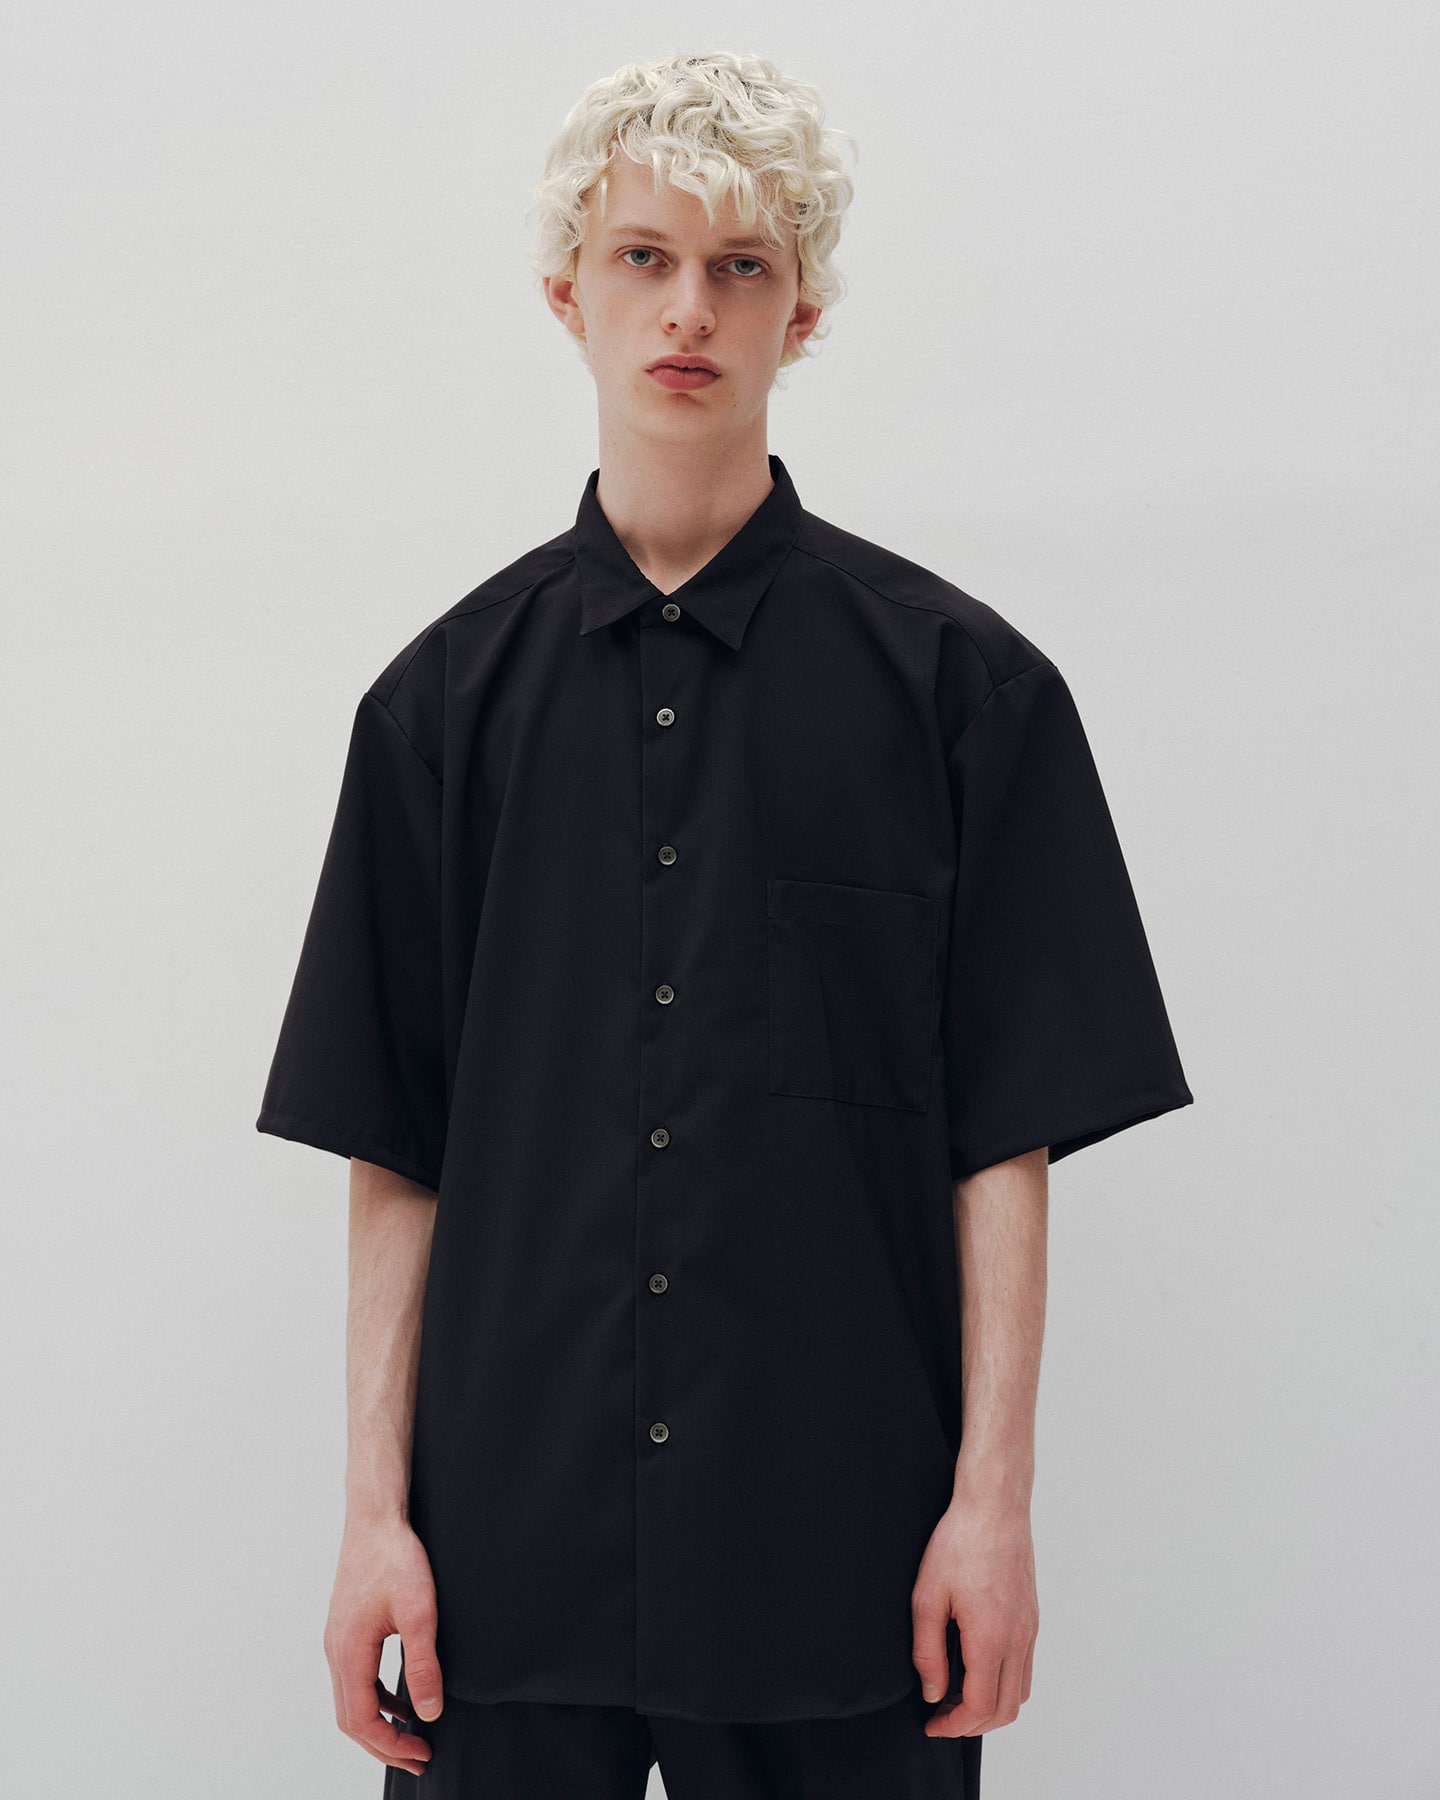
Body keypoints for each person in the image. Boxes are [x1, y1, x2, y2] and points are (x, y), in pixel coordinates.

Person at [255, 50, 1194, 1800]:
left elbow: (1005, 1139)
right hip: (504, 1570)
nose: (689, 308)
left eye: (740, 266)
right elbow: (395, 1144)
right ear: (569, 292)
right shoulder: (438, 712)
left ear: (801, 312)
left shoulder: (964, 699)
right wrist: (373, 1514)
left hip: (843, 1567)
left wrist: (994, 1506)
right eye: (644, 257)